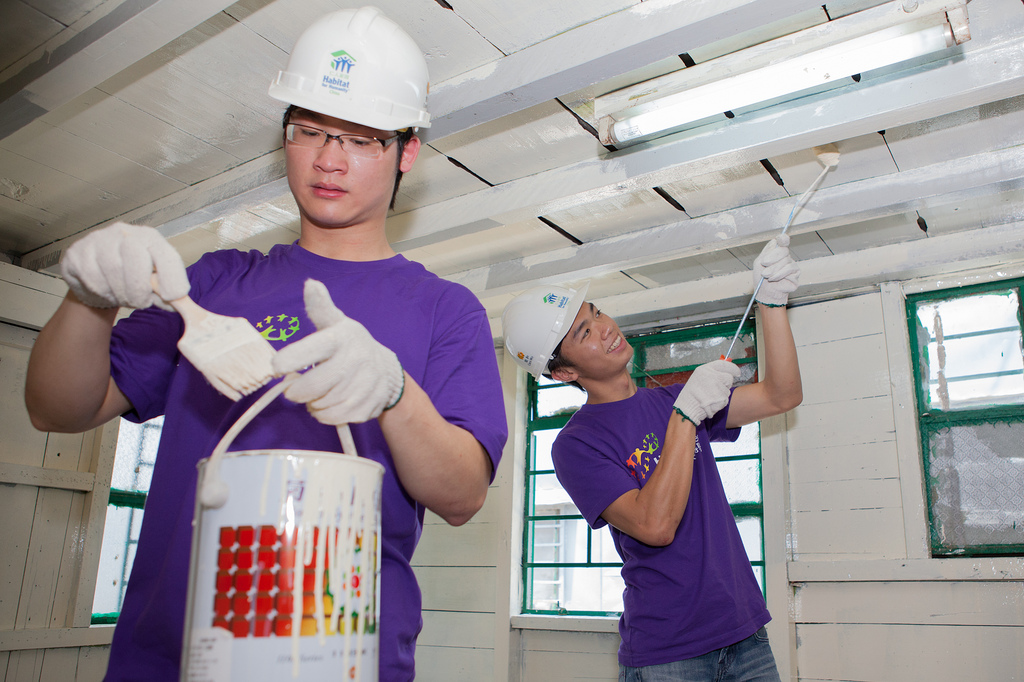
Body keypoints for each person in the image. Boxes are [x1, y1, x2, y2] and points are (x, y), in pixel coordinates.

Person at [24, 7, 507, 681]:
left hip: (342, 658)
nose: (329, 159)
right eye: (309, 130)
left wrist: (395, 393)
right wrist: (88, 300)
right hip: (168, 659)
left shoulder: (444, 311)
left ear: (409, 150)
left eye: (362, 139)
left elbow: (462, 496)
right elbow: (57, 409)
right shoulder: (216, 284)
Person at [501, 235, 802, 681]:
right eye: (585, 332)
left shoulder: (671, 401)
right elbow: (654, 526)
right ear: (565, 372)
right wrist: (686, 417)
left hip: (745, 631)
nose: (605, 327)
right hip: (670, 653)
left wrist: (773, 305)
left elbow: (782, 395)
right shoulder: (576, 443)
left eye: (596, 313)